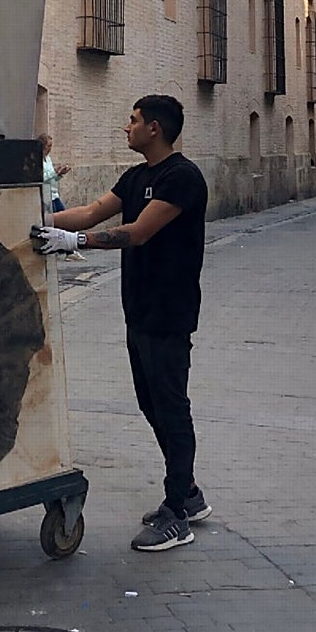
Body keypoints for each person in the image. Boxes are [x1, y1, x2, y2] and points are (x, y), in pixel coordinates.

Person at [30, 95, 210, 552]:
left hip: (169, 314)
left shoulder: (181, 178)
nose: (124, 127)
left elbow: (138, 232)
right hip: (140, 311)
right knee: (152, 406)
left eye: (131, 121)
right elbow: (91, 211)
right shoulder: (136, 177)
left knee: (171, 407)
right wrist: (36, 223)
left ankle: (177, 514)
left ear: (154, 127)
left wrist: (77, 241)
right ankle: (187, 493)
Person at [39, 133, 83, 260]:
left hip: (54, 194)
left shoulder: (48, 159)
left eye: (51, 146)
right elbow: (42, 178)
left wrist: (59, 174)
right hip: (46, 196)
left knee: (65, 219)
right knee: (54, 222)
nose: (50, 148)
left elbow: (51, 177)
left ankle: (69, 250)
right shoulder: (37, 160)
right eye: (48, 146)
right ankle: (67, 250)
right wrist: (54, 173)